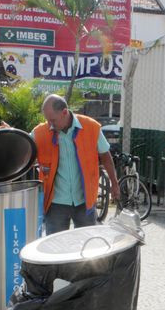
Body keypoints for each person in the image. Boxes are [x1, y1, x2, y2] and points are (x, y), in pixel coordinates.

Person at [33, 94, 120, 235]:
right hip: (56, 203)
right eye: (47, 120)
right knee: (55, 249)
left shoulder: (91, 127)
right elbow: (24, 144)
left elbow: (105, 155)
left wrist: (114, 183)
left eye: (53, 120)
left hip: (84, 201)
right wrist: (10, 134)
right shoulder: (41, 132)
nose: (49, 125)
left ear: (64, 112)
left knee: (86, 246)